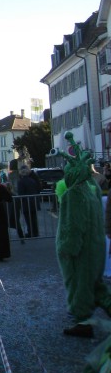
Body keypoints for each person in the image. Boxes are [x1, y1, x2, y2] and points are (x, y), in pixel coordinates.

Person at [57, 140, 111, 338]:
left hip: (81, 252)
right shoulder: (92, 189)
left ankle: (82, 322)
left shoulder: (74, 194)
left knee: (79, 286)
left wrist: (67, 249)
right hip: (95, 246)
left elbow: (74, 226)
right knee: (96, 287)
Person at [15, 165, 40, 239]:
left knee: (28, 219)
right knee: (34, 218)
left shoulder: (21, 182)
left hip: (26, 202)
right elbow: (37, 189)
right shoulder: (32, 180)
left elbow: (21, 193)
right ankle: (35, 232)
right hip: (34, 201)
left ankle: (31, 232)